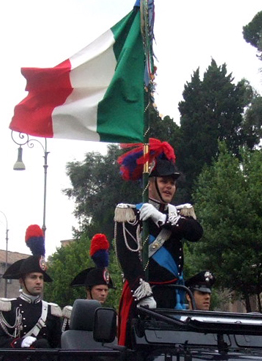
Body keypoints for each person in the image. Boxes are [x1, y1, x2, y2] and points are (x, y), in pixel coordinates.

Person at [115, 140, 203, 343]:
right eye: (164, 181)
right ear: (150, 182)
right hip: (143, 297)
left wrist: (162, 218)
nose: (169, 187)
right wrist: (143, 294)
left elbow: (196, 233)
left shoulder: (179, 213)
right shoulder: (130, 213)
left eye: (172, 183)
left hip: (174, 296)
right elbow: (128, 258)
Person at [0, 225, 63, 349]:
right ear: (21, 281)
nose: (38, 281)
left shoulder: (52, 312)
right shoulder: (8, 308)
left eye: (41, 277)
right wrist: (18, 343)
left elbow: (58, 346)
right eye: (33, 277)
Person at [63, 234, 113, 328]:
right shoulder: (75, 314)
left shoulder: (108, 316)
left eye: (106, 290)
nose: (103, 294)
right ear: (88, 289)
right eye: (99, 289)